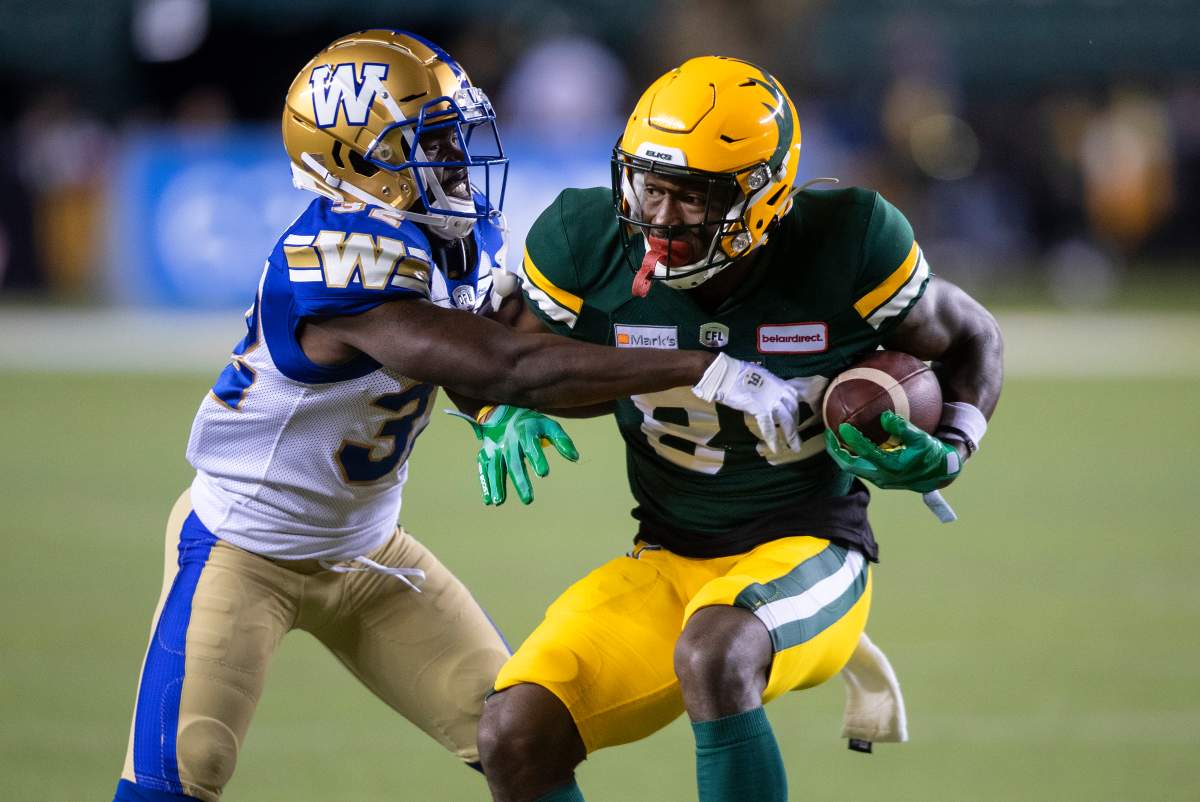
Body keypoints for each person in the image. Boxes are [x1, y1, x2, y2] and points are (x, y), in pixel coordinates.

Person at [111, 35, 808, 802]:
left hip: (370, 551)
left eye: (453, 133)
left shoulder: (453, 235)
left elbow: (479, 363)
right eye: (428, 140)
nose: (454, 156)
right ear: (351, 159)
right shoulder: (334, 254)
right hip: (243, 546)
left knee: (520, 740)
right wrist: (699, 366)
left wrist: (489, 413)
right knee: (188, 768)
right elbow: (502, 363)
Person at [475, 55, 1004, 802]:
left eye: (693, 197)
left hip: (813, 545)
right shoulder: (586, 238)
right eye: (651, 187)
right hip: (668, 554)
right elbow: (494, 360)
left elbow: (974, 334)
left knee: (716, 650)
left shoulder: (848, 240)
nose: (662, 217)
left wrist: (953, 444)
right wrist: (497, 407)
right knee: (515, 732)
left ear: (764, 195)